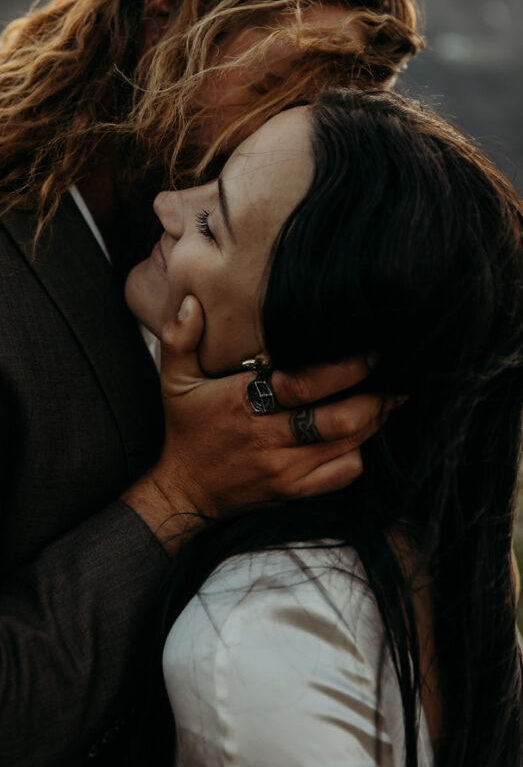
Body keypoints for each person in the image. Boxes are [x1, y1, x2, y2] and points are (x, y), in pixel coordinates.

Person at [0, 0, 422, 765]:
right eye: (279, 83)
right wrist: (181, 497)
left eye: (327, 109)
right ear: (165, 17)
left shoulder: (221, 276)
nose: (289, 135)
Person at [124, 88, 523, 767]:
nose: (167, 204)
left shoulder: (249, 648)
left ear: (297, 366)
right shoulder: (436, 570)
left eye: (211, 225)